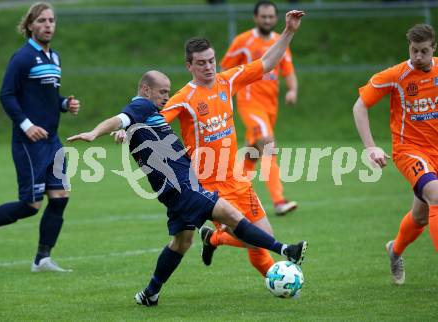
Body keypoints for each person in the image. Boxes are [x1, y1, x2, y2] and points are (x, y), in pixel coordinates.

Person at [67, 70, 307, 307]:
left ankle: (150, 294)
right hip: (184, 187)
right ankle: (286, 250)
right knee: (233, 216)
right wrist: (94, 132)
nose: (165, 96)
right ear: (145, 90)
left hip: (174, 190)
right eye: (162, 92)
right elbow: (120, 118)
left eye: (168, 92)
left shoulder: (144, 114)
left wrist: (124, 129)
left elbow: (127, 124)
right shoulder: (143, 106)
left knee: (181, 243)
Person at [160, 10, 306, 278]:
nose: (208, 66)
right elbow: (157, 122)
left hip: (236, 178)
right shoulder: (184, 97)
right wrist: (129, 130)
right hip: (208, 184)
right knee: (257, 241)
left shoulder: (228, 81)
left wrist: (289, 31)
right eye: (201, 63)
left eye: (211, 61)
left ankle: (214, 239)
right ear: (189, 66)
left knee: (262, 238)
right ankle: (217, 240)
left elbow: (267, 63)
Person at [353, 23, 438, 285]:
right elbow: (360, 106)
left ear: (433, 49)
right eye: (414, 51)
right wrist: (371, 147)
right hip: (409, 151)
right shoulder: (397, 75)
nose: (418, 57)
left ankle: (395, 249)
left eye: (424, 51)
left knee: (421, 216)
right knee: (436, 195)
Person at [0, 2, 80, 272]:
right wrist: (26, 125)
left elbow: (46, 98)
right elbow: (7, 95)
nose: (48, 25)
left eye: (52, 20)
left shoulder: (53, 57)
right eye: (42, 20)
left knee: (60, 196)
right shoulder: (22, 57)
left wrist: (64, 104)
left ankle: (42, 259)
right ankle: (41, 259)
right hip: (29, 143)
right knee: (30, 205)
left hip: (52, 141)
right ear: (30, 25)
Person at [220, 1, 298, 216]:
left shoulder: (279, 42)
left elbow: (288, 69)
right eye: (263, 16)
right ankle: (279, 200)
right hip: (249, 103)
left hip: (270, 106)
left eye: (271, 16)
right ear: (255, 18)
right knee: (268, 144)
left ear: (276, 18)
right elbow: (225, 70)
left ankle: (233, 196)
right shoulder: (243, 41)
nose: (267, 20)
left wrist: (292, 90)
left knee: (252, 155)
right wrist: (223, 97)